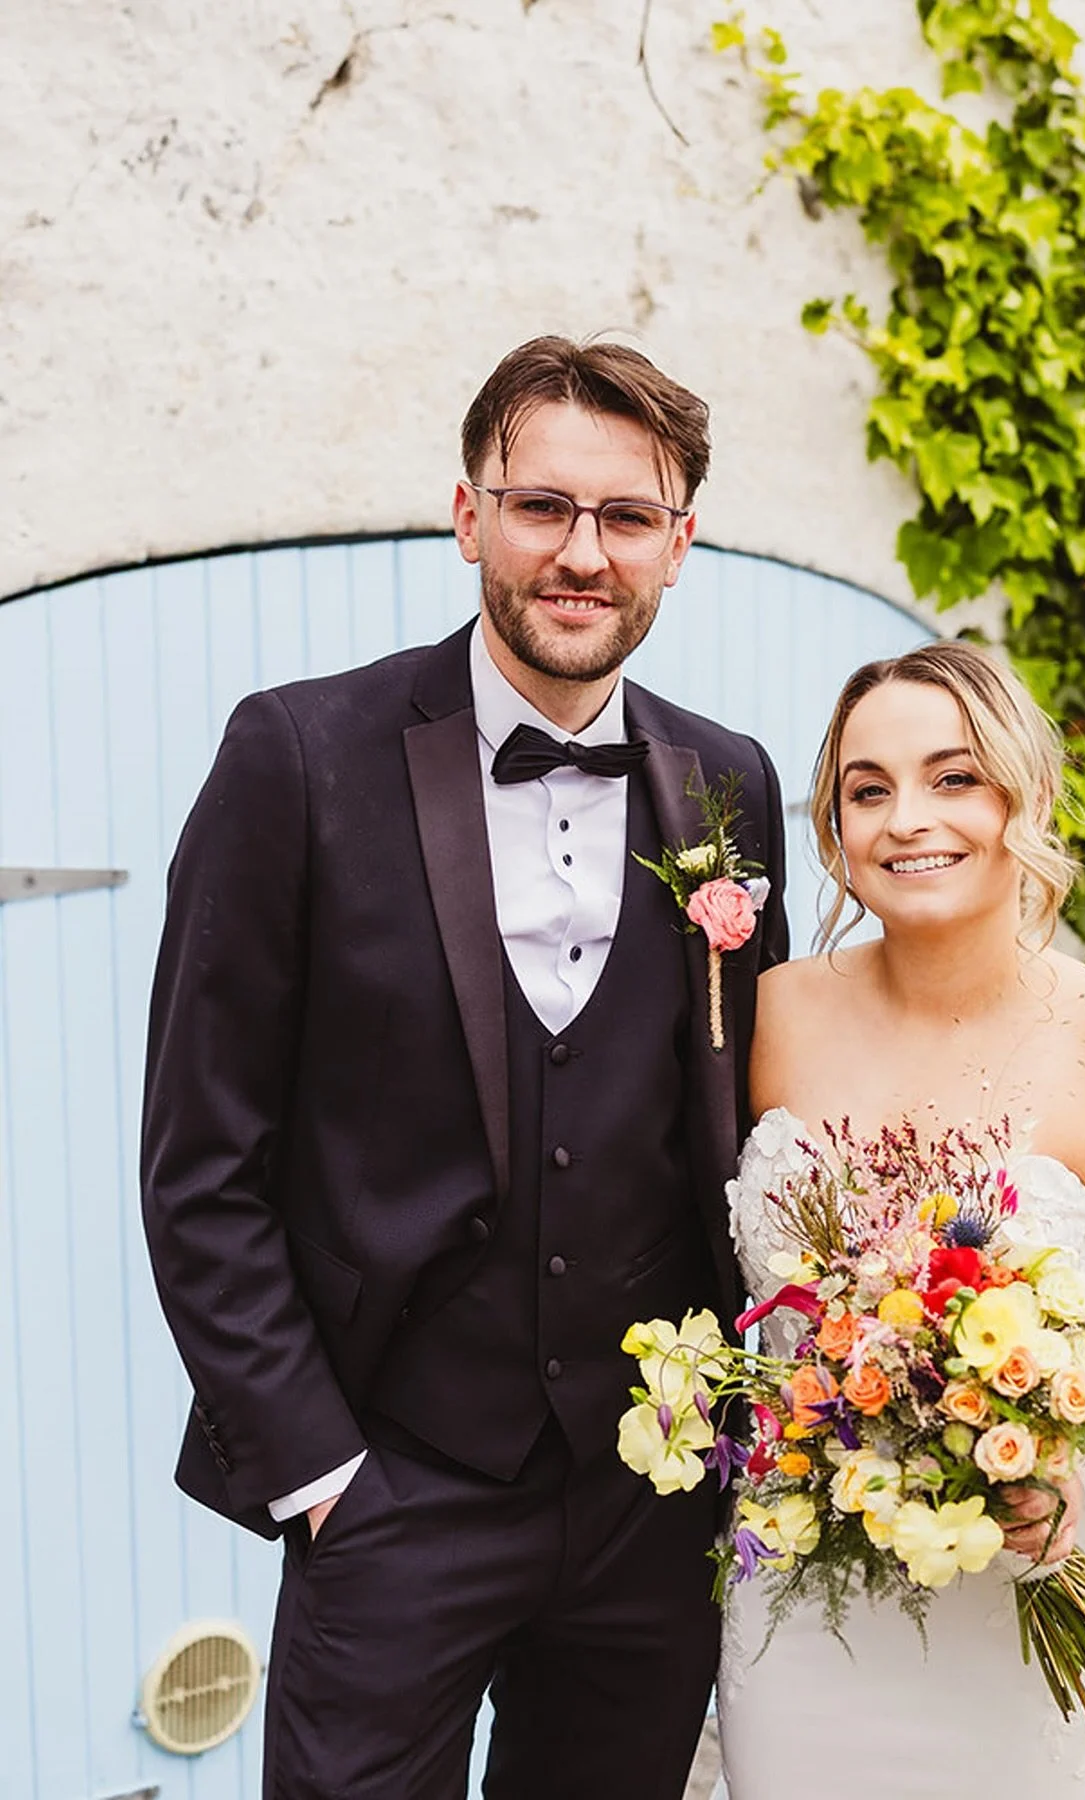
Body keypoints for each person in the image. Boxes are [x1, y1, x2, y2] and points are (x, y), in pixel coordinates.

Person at [140, 336, 788, 1800]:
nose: (582, 552)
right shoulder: (297, 756)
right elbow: (200, 1166)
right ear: (468, 513)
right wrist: (322, 1480)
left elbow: (747, 1136)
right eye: (542, 505)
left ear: (678, 546)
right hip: (392, 1487)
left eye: (628, 518)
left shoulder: (730, 782)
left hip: (649, 1503)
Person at [717, 642, 1085, 1798]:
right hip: (806, 1615)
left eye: (953, 777)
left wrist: (1065, 1443)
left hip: (1022, 1600)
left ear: (1028, 795)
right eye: (869, 790)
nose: (909, 819)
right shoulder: (769, 1020)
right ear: (835, 829)